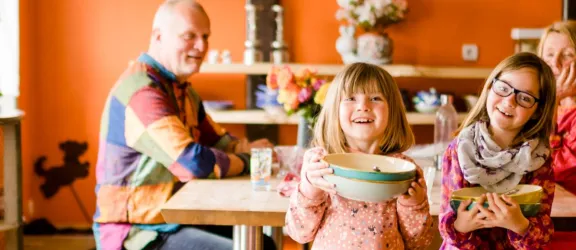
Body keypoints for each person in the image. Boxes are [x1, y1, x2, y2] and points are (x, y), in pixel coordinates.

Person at [92, 0, 275, 249]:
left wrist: (250, 147)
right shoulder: (142, 91)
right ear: (158, 36)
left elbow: (217, 140)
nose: (202, 46)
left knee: (262, 244)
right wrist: (247, 161)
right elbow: (192, 162)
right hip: (138, 232)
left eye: (205, 37)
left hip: (172, 217)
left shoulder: (182, 89)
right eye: (189, 36)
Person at [285, 62, 434, 249]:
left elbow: (419, 242)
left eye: (375, 98)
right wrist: (309, 187)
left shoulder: (404, 169)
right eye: (350, 98)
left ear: (393, 111)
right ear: (334, 110)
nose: (363, 106)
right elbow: (299, 233)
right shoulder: (320, 163)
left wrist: (414, 205)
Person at [438, 52, 556, 249]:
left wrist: (519, 224)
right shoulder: (460, 149)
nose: (509, 101)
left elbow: (542, 233)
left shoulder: (539, 159)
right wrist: (461, 226)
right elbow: (447, 222)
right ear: (490, 87)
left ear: (537, 112)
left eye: (525, 98)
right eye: (503, 88)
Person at [538, 20, 576, 195]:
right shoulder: (544, 101)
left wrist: (555, 97)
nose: (556, 63)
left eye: (567, 55)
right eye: (549, 54)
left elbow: (555, 169)